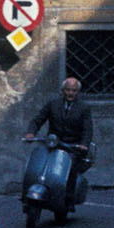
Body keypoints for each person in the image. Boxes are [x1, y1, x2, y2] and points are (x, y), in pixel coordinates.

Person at [25, 76, 94, 208]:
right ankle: (27, 196)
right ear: (63, 90)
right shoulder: (53, 104)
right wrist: (31, 132)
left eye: (73, 90)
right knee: (39, 162)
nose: (70, 93)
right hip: (53, 144)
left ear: (77, 92)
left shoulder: (83, 108)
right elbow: (38, 119)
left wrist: (84, 144)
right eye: (68, 90)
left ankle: (68, 199)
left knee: (71, 168)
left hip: (72, 147)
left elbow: (88, 129)